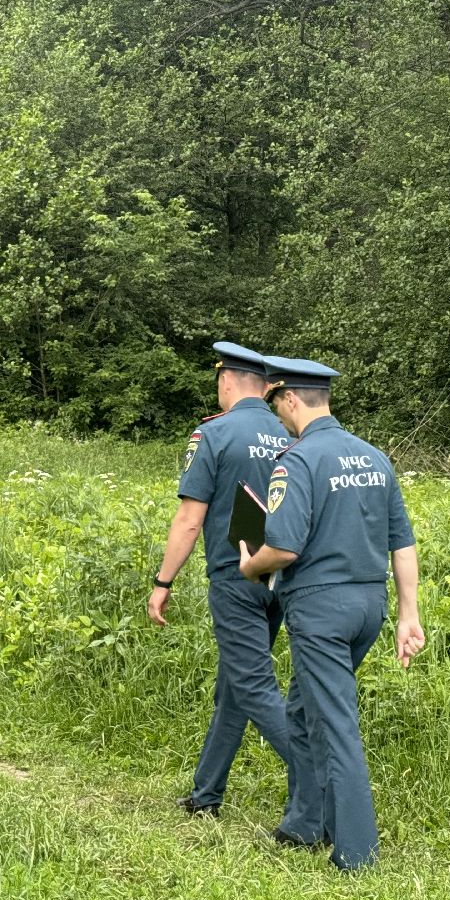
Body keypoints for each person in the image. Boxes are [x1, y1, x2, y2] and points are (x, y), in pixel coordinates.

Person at [238, 355, 426, 871]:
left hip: (320, 608)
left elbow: (284, 549)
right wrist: (409, 616)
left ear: (291, 399)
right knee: (302, 711)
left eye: (278, 404)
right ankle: (304, 823)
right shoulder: (373, 458)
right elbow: (402, 544)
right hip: (369, 606)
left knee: (336, 723)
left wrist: (250, 566)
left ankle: (357, 853)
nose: (278, 415)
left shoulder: (296, 461)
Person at [148, 341, 301, 819]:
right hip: (280, 576)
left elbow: (190, 520)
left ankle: (321, 775)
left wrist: (163, 582)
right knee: (234, 685)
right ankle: (205, 795)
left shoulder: (213, 434)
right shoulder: (290, 434)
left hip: (235, 578)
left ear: (227, 381)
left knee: (252, 684)